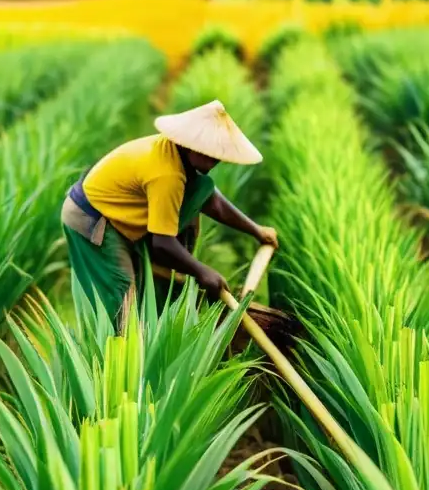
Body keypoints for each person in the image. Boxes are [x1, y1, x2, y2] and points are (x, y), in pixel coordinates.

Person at [61, 99, 278, 326]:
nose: (214, 159)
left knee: (202, 187)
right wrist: (202, 272)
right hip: (93, 218)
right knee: (120, 294)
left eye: (218, 153)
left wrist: (256, 231)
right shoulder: (167, 175)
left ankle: (158, 307)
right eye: (207, 151)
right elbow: (162, 243)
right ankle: (115, 352)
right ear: (189, 144)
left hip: (121, 211)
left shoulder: (179, 158)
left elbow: (212, 200)